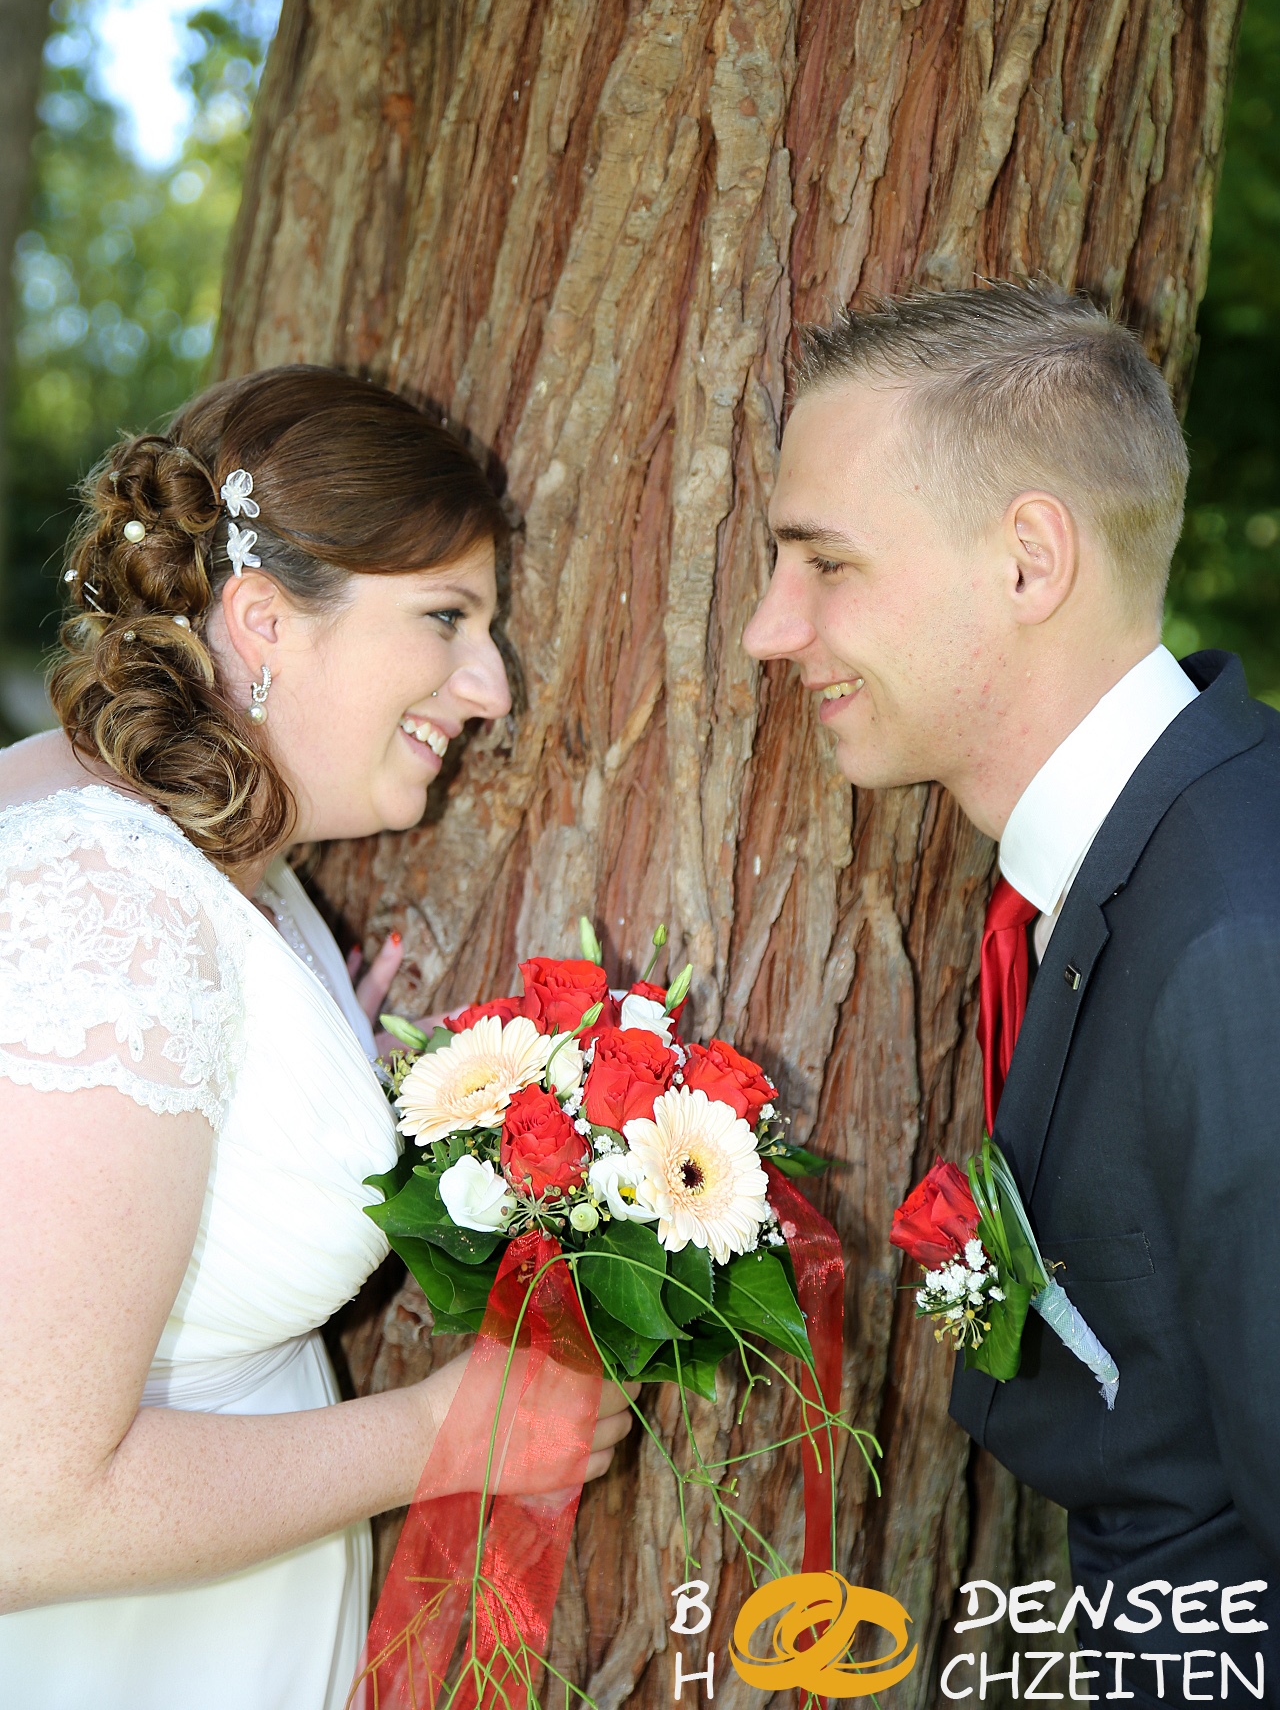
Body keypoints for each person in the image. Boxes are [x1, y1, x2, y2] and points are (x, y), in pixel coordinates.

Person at [0, 366, 633, 1709]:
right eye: (447, 618)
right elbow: (23, 1511)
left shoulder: (200, 854)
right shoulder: (116, 910)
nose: (489, 687)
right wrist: (445, 1434)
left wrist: (308, 1023)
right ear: (265, 617)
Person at [742, 282, 1279, 1704]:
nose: (769, 628)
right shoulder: (1118, 871)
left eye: (826, 563)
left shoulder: (1241, 928)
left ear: (1030, 562)